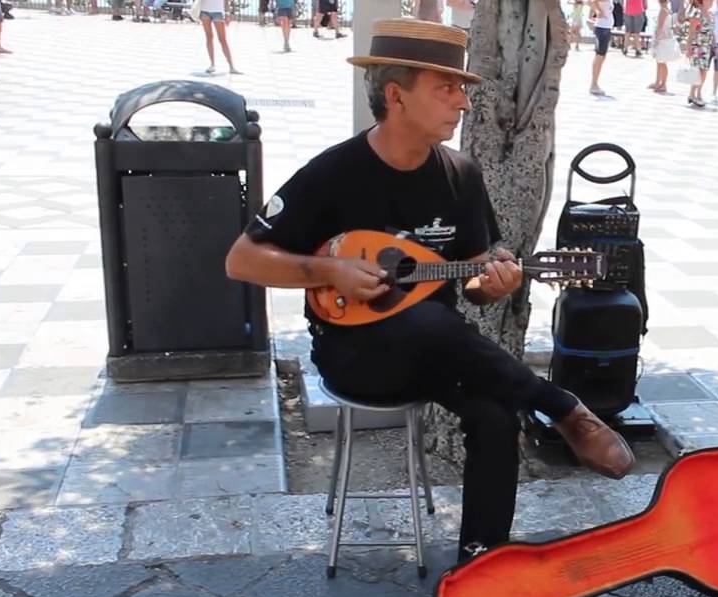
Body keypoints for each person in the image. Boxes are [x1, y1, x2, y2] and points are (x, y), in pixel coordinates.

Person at [225, 20, 636, 563]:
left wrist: (496, 283)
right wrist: (329, 272)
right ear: (395, 95)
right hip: (353, 353)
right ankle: (562, 406)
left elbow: (471, 280)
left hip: (442, 352)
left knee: (493, 413)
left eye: (462, 88)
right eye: (446, 87)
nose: (462, 102)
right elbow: (242, 259)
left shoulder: (459, 175)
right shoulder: (333, 174)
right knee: (428, 324)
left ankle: (481, 562)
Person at [684, 0, 714, 107]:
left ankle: (698, 93)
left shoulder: (710, 14)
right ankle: (693, 94)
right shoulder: (697, 13)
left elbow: (711, 32)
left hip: (706, 47)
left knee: (704, 71)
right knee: (697, 71)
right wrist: (688, 47)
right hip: (697, 46)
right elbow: (691, 32)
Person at [198, 0, 239, 75]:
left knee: (222, 40)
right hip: (204, 11)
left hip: (218, 11)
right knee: (209, 37)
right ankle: (212, 64)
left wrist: (227, 13)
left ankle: (231, 66)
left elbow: (226, 1)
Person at [650, 0, 680, 93]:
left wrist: (656, 41)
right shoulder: (667, 10)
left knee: (662, 62)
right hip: (665, 37)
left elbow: (660, 27)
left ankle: (663, 83)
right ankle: (658, 82)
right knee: (659, 62)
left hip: (662, 39)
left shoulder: (663, 11)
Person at [590, 0, 613, 94]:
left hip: (606, 27)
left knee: (602, 57)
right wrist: (598, 11)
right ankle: (593, 84)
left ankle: (595, 83)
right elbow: (592, 1)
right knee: (599, 56)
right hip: (602, 27)